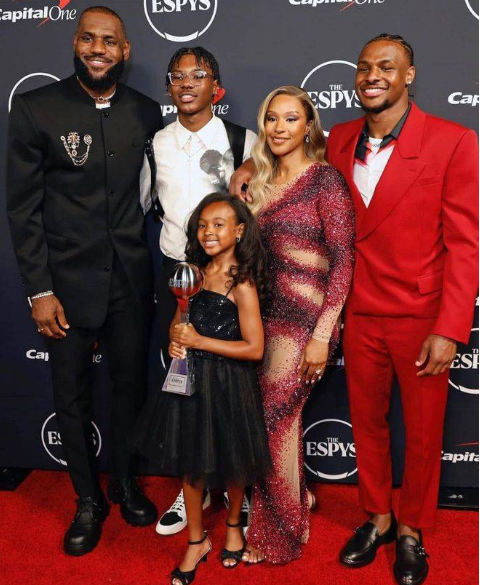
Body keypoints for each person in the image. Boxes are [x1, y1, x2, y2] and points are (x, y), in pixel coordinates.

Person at [6, 6, 163, 556]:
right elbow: (23, 210)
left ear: (125, 50)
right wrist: (39, 290)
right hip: (65, 288)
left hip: (130, 282)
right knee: (70, 397)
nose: (99, 49)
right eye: (89, 39)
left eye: (110, 41)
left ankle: (124, 483)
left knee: (130, 389)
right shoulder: (36, 108)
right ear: (75, 43)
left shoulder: (146, 112)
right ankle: (87, 501)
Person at [326, 34, 479, 585]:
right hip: (360, 312)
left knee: (422, 432)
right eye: (364, 66)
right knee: (366, 425)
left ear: (409, 75)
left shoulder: (453, 140)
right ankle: (379, 517)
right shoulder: (339, 139)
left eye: (386, 67)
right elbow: (290, 161)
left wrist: (451, 328)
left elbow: (466, 244)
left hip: (422, 317)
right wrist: (250, 167)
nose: (373, 75)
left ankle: (412, 527)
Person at [139, 46, 257, 536]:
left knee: (232, 389)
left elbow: (264, 201)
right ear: (169, 88)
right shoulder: (155, 142)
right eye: (177, 76)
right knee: (185, 383)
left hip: (229, 276)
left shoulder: (243, 139)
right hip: (178, 273)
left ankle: (236, 489)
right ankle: (194, 489)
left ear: (216, 87)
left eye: (198, 74)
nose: (186, 83)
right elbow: (144, 204)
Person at [130, 193, 272, 583]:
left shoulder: (241, 282)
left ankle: (233, 526)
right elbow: (179, 324)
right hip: (190, 382)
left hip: (230, 383)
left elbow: (255, 348)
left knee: (235, 463)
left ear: (239, 231)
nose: (208, 232)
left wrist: (199, 341)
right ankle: (196, 541)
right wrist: (176, 341)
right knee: (191, 464)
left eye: (219, 224)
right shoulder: (191, 273)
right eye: (203, 225)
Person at [243, 86, 355, 564]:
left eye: (291, 119)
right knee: (273, 420)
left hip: (306, 325)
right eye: (272, 118)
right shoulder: (259, 182)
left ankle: (280, 533)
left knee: (275, 419)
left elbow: (344, 260)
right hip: (260, 321)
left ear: (309, 126)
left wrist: (323, 335)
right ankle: (296, 497)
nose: (280, 128)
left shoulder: (325, 180)